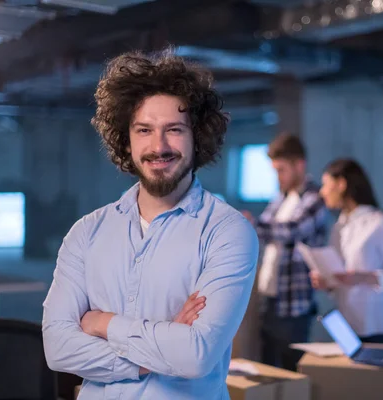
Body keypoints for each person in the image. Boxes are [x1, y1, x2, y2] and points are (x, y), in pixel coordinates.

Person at [42, 50, 259, 400]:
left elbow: (197, 354)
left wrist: (103, 324)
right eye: (144, 130)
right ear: (126, 138)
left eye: (174, 130)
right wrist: (162, 346)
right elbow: (58, 348)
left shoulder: (227, 232)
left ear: (196, 136)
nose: (158, 146)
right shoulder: (86, 233)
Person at [242, 133, 329, 371]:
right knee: (268, 372)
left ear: (299, 165)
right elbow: (265, 230)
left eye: (281, 170)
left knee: (291, 374)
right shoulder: (281, 198)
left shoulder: (315, 199)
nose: (277, 177)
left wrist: (253, 224)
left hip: (294, 307)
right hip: (269, 300)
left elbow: (292, 230)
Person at [312, 158, 383, 344]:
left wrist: (364, 278)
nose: (322, 192)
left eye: (326, 185)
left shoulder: (382, 223)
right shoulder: (339, 227)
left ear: (341, 184)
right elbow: (341, 279)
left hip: (379, 325)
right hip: (347, 326)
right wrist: (327, 283)